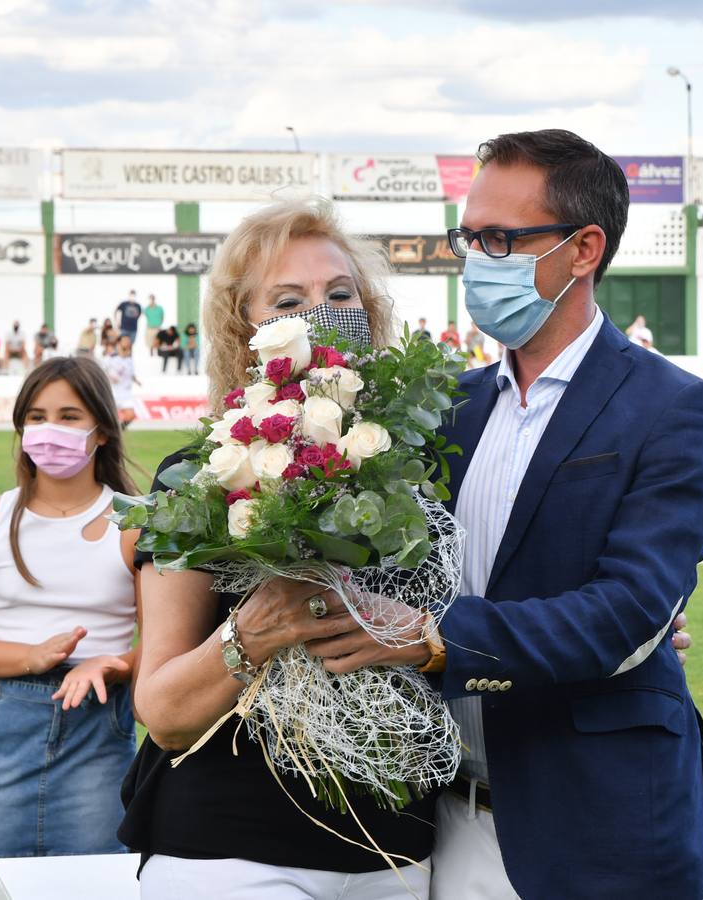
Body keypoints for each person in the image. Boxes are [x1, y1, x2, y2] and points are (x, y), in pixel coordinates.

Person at [423, 127, 703, 899]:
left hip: (596, 826)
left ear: (583, 250)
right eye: (468, 237)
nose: (477, 260)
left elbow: (629, 607)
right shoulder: (445, 408)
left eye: (501, 239)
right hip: (440, 820)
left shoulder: (674, 406)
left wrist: (433, 642)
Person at [122, 199, 443, 898]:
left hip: (398, 852)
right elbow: (166, 713)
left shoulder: (422, 474)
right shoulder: (200, 476)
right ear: (247, 330)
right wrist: (255, 630)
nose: (321, 313)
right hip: (232, 850)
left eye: (339, 294)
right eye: (289, 300)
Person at [0, 357, 142, 900]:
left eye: (70, 416)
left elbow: (169, 643)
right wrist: (32, 656)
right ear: (21, 430)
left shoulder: (139, 521)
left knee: (96, 888)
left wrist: (112, 663)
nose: (51, 431)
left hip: (100, 730)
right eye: (37, 417)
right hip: (3, 729)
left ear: (102, 431)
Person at [101, 335, 140, 428]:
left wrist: (136, 380)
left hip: (126, 394)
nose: (127, 342)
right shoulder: (110, 358)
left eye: (128, 340)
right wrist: (109, 377)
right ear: (118, 343)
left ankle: (119, 431)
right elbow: (101, 371)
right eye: (125, 340)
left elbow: (131, 374)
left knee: (131, 416)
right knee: (107, 418)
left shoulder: (130, 359)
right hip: (113, 393)